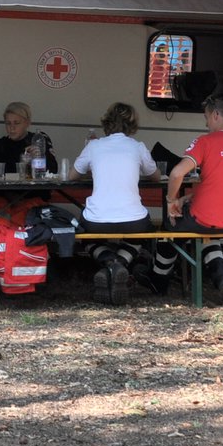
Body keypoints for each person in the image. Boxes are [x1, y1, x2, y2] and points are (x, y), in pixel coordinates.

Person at [165, 93, 223, 305]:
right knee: (208, 235)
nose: (205, 123)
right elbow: (222, 184)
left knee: (168, 229)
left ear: (215, 114)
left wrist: (172, 200)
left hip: (203, 218)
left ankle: (157, 279)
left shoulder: (205, 141)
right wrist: (187, 197)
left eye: (206, 117)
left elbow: (177, 174)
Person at [68, 102, 158, 306]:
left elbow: (72, 175)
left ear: (106, 122)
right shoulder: (137, 147)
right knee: (142, 235)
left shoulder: (94, 146)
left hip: (96, 219)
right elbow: (156, 176)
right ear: (132, 125)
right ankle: (121, 263)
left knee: (86, 236)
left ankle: (110, 263)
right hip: (134, 219)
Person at [0, 101, 56, 176]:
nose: (12, 128)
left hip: (32, 187)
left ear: (27, 123)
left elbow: (53, 171)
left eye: (17, 123)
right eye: (8, 123)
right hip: (5, 187)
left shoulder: (38, 139)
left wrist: (38, 158)